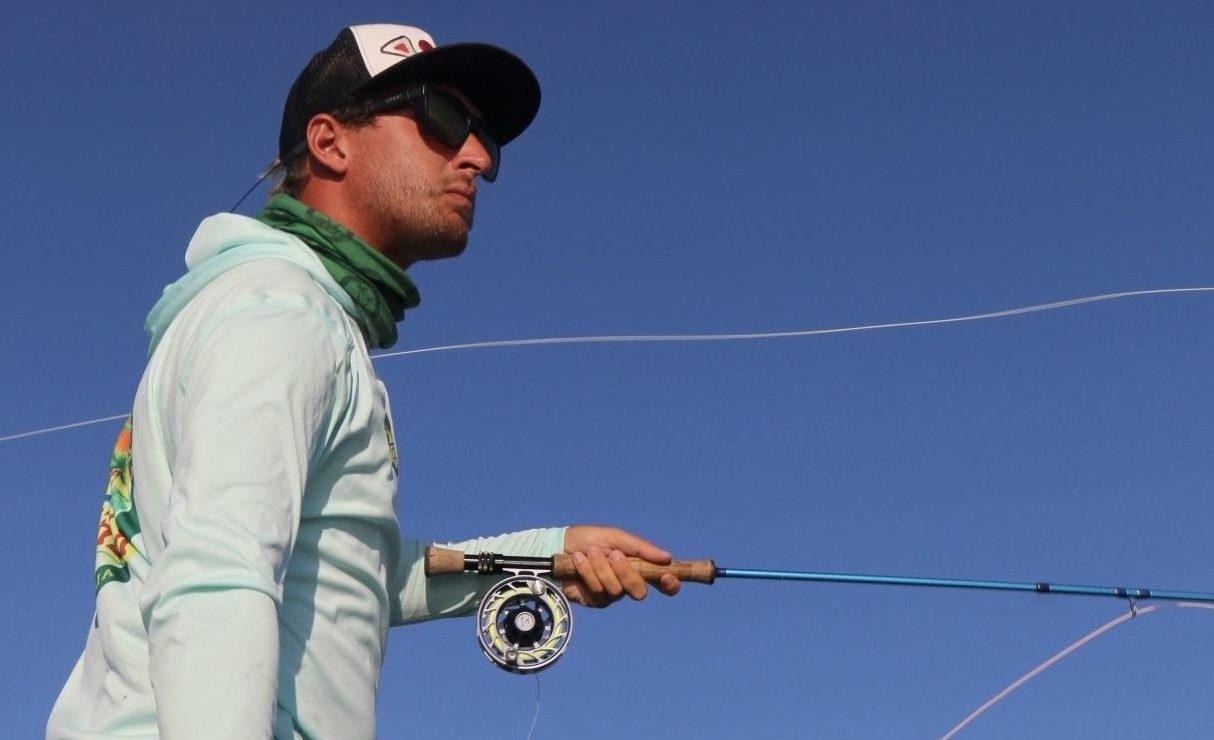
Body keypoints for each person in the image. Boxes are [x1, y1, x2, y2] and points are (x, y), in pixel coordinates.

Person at [47, 23, 681, 740]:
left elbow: (351, 580)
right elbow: (220, 570)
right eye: (441, 120)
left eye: (485, 140)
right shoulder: (282, 310)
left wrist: (549, 554)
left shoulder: (290, 315)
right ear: (329, 142)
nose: (475, 156)